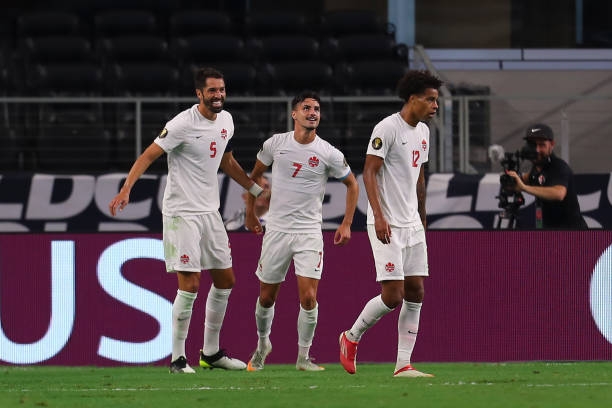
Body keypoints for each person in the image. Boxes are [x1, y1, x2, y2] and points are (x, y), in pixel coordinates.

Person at [108, 67, 266, 374]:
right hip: (182, 213)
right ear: (199, 94)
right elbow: (148, 156)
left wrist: (255, 188)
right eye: (212, 91)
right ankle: (178, 359)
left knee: (226, 280)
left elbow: (226, 160)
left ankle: (211, 353)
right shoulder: (181, 124)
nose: (218, 95)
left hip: (210, 212)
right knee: (190, 284)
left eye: (222, 89)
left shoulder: (227, 120)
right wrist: (127, 188)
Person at [244, 91, 359, 372]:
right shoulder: (276, 144)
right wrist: (250, 213)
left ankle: (303, 357)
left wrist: (346, 223)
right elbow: (254, 175)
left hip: (309, 232)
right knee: (266, 297)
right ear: (294, 114)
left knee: (308, 297)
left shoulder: (328, 152)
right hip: (278, 230)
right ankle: (262, 346)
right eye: (306, 108)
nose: (313, 113)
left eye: (317, 109)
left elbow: (353, 185)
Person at [339, 70, 443, 378]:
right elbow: (369, 172)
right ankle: (351, 337)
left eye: (437, 100)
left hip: (412, 223)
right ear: (413, 99)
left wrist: (422, 216)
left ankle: (403, 364)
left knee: (416, 291)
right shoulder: (387, 127)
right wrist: (380, 215)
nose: (435, 105)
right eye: (430, 99)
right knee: (393, 295)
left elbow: (419, 177)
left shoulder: (423, 132)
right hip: (386, 222)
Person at [505, 123, 588, 229]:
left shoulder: (559, 167)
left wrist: (524, 188)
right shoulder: (536, 168)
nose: (537, 150)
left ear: (552, 144)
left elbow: (559, 193)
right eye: (533, 145)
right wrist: (511, 180)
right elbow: (528, 178)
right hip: (548, 232)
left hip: (571, 234)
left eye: (542, 145)